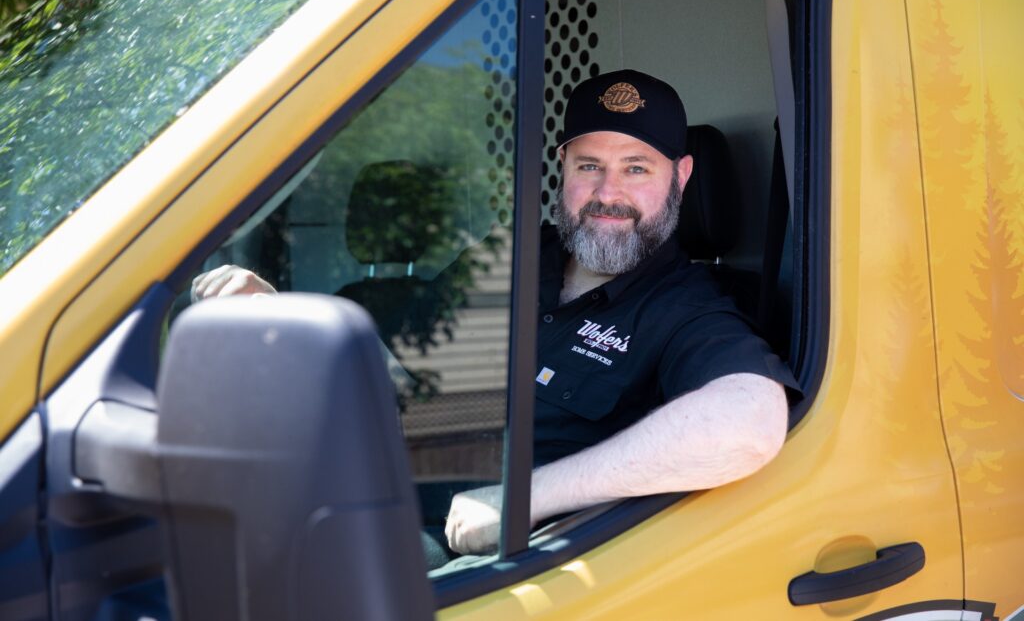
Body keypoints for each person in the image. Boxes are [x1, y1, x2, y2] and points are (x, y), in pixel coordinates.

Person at [193, 69, 798, 560]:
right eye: (589, 165)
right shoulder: (504, 258)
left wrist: (521, 499)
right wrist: (277, 315)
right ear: (562, 170)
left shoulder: (688, 307)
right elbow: (404, 384)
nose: (608, 191)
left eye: (636, 168)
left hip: (488, 571)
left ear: (681, 177)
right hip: (375, 500)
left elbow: (750, 422)